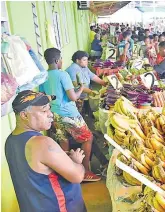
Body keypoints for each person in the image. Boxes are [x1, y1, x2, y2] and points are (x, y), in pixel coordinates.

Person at [5, 90, 87, 211]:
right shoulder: (42, 143)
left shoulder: (10, 141)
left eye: (49, 108)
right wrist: (76, 161)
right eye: (44, 110)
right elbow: (77, 176)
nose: (51, 114)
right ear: (24, 115)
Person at [39, 48, 100, 182]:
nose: (62, 61)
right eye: (61, 59)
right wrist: (81, 89)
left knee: (64, 141)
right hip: (69, 114)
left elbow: (45, 96)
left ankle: (66, 171)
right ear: (57, 60)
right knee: (87, 138)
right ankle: (85, 172)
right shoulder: (63, 75)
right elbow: (72, 97)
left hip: (55, 114)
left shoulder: (43, 76)